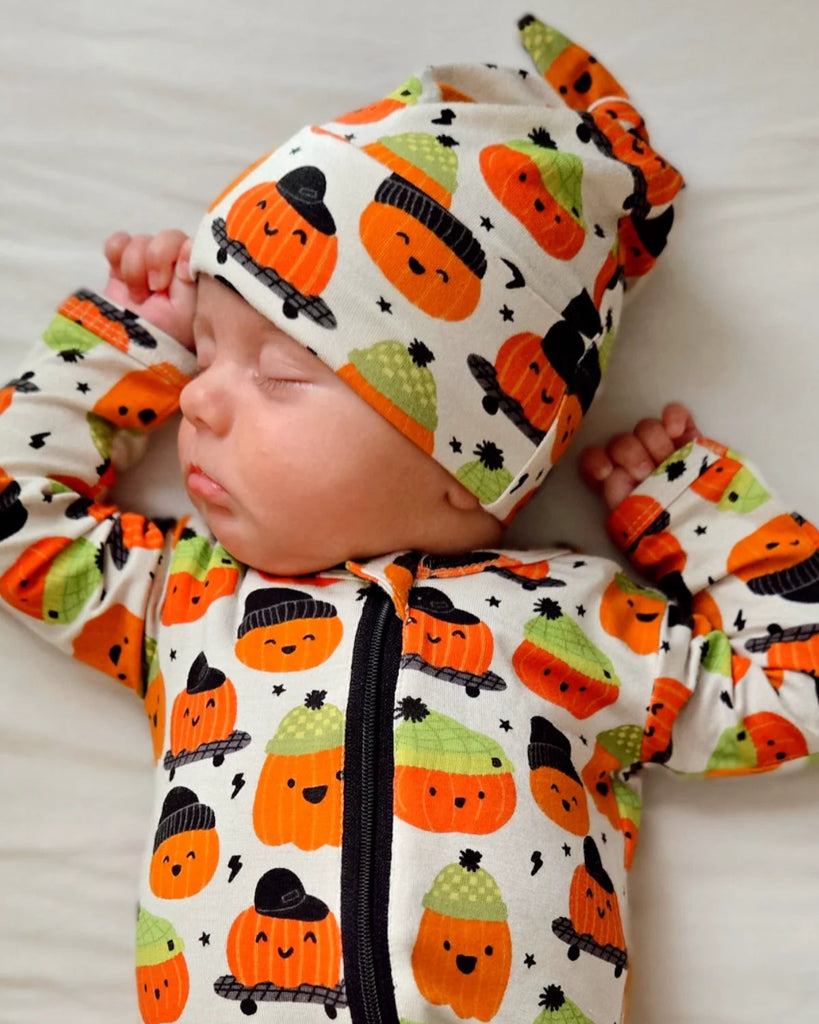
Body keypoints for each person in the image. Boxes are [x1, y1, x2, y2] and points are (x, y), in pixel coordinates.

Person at [0, 14, 816, 1024]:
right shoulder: (187, 601)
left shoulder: (583, 627)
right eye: (201, 353)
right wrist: (130, 342)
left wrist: (696, 509)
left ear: (470, 460)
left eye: (277, 372)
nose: (194, 400)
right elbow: (18, 517)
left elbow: (792, 689)